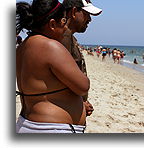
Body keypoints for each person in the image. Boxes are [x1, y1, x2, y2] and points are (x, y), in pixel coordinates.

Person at [16, 0, 90, 133]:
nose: (66, 27)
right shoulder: (51, 47)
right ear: (52, 24)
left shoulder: (22, 48)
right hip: (52, 128)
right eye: (63, 21)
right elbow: (83, 86)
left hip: (27, 122)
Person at [61, 0, 102, 117]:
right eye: (87, 14)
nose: (89, 19)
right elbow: (60, 82)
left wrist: (82, 102)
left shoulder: (69, 37)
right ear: (74, 12)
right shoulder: (63, 38)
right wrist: (80, 104)